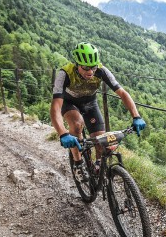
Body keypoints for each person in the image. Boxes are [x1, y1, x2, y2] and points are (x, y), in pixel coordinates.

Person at [50, 42, 146, 182]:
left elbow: (122, 93)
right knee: (77, 125)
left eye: (93, 67)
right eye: (86, 68)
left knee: (101, 141)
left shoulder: (101, 71)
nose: (90, 72)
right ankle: (78, 164)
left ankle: (98, 165)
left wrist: (136, 116)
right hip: (69, 103)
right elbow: (55, 107)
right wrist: (63, 133)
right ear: (77, 64)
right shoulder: (65, 74)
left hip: (90, 103)